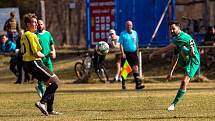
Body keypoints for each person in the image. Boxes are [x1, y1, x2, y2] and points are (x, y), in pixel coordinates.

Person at [149, 20, 200, 111]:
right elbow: (175, 57)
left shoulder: (181, 38)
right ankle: (188, 51)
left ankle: (173, 104)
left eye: (173, 29)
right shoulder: (177, 39)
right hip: (185, 58)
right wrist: (171, 71)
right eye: (170, 29)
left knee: (184, 82)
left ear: (178, 28)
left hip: (193, 60)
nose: (171, 31)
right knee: (181, 51)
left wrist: (154, 53)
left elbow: (166, 49)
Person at [20, 13, 61, 116]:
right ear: (28, 24)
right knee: (56, 81)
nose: (36, 24)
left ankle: (50, 109)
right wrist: (45, 54)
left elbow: (22, 51)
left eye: (36, 22)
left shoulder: (24, 35)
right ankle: (42, 103)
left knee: (50, 84)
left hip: (28, 63)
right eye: (34, 22)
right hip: (34, 62)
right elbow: (36, 53)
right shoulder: (31, 35)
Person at [119, 20, 144, 89]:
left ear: (132, 26)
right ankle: (123, 84)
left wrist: (137, 52)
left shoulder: (135, 33)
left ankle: (138, 85)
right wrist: (122, 53)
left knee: (135, 68)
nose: (129, 26)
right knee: (125, 70)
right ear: (125, 26)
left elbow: (136, 43)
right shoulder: (122, 34)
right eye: (127, 25)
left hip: (134, 53)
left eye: (130, 25)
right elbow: (121, 44)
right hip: (126, 54)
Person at [35, 20, 56, 98]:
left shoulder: (48, 34)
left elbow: (52, 44)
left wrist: (53, 51)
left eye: (41, 24)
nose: (40, 25)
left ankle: (47, 91)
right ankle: (41, 90)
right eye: (38, 24)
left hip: (48, 59)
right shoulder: (35, 35)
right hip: (39, 59)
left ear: (43, 25)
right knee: (42, 75)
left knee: (51, 75)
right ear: (36, 25)